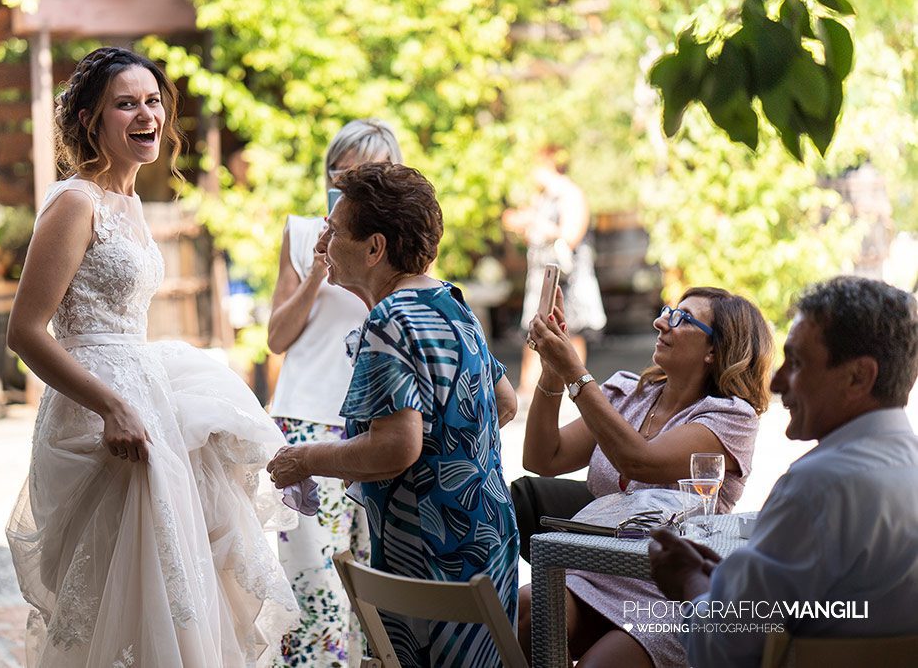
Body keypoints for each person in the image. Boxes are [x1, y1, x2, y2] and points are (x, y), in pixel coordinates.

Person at [5, 47, 297, 667]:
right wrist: (111, 407)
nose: (147, 115)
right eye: (126, 104)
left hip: (146, 399)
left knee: (171, 579)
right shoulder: (75, 202)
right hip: (97, 414)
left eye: (154, 101)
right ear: (90, 120)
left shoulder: (131, 203)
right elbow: (26, 332)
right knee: (119, 587)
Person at [266, 162, 520, 667]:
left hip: (430, 554)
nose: (323, 243)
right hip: (488, 537)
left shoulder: (389, 318)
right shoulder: (451, 302)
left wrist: (304, 459)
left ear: (374, 248)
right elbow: (505, 401)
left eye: (335, 231)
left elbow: (397, 447)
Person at [649, 276, 918, 668]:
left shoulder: (817, 488)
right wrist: (727, 583)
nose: (775, 383)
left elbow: (722, 652)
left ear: (858, 377)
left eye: (797, 363)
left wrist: (689, 582)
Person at [515, 286, 773, 667]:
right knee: (527, 608)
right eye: (668, 311)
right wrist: (554, 371)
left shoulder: (730, 418)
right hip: (597, 569)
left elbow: (640, 462)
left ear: (714, 350)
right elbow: (543, 457)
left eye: (683, 319)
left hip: (664, 588)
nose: (661, 322)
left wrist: (575, 372)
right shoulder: (629, 394)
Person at [266, 119, 401, 666]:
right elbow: (276, 337)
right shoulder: (302, 233)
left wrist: (362, 268)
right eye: (340, 175)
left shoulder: (399, 243)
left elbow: (400, 321)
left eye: (368, 175)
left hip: (378, 425)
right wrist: (320, 271)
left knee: (372, 589)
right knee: (313, 588)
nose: (349, 186)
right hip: (305, 417)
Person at [503, 153, 606, 394]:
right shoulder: (542, 197)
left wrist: (536, 221)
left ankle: (576, 389)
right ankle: (529, 390)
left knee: (572, 331)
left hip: (568, 277)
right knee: (534, 330)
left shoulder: (571, 195)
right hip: (541, 276)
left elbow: (570, 235)